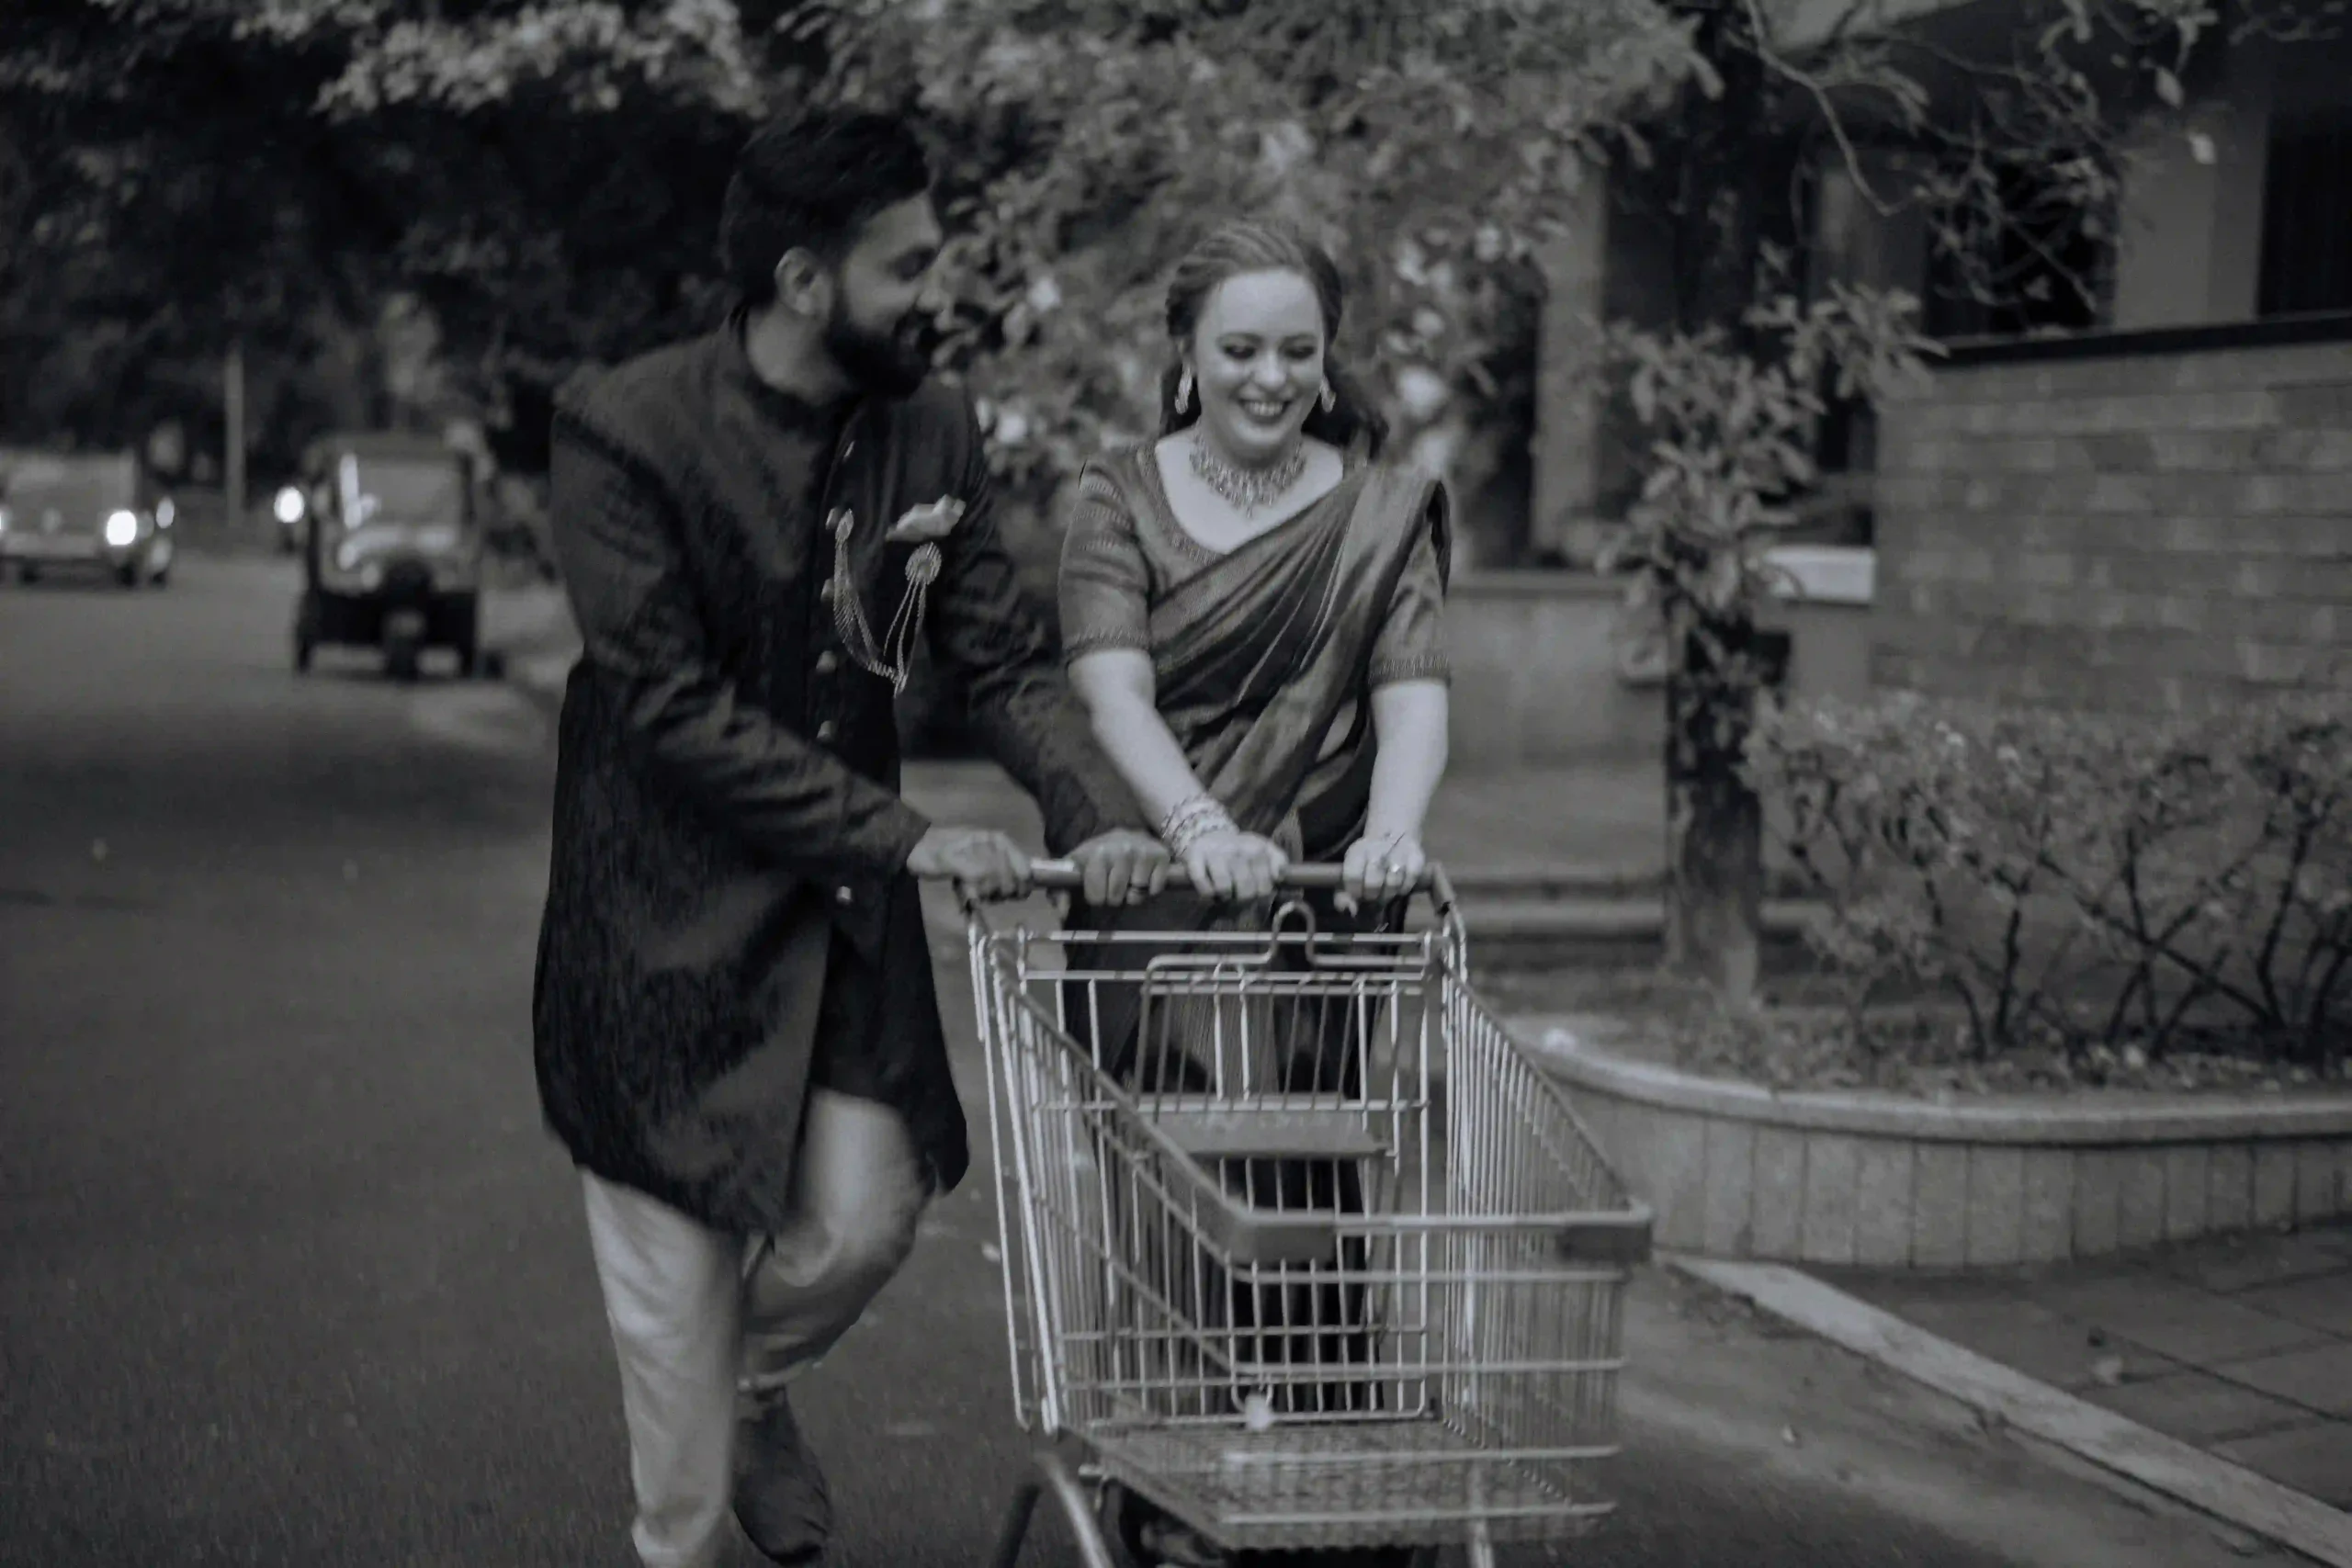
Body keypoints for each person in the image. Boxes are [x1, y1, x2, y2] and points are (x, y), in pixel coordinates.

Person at [532, 107, 1169, 1568]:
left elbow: (1000, 663)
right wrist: (908, 834)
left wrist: (1102, 820)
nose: (933, 290)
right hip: (658, 928)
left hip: (842, 920)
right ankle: (686, 1513)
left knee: (870, 1213)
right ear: (805, 280)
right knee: (674, 1337)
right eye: (907, 265)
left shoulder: (931, 425)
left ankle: (752, 1391)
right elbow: (667, 708)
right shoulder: (621, 428)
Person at [1056, 220, 1452, 1568]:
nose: (1270, 377)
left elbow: (1411, 696)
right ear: (1186, 353)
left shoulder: (1381, 510)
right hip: (1162, 897)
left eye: (1297, 349)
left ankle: (1321, 1464)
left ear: (1329, 357)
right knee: (1192, 1174)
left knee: (1309, 1169)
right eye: (1239, 349)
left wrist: (1392, 834)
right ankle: (1191, 1466)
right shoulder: (1117, 495)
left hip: (1315, 905)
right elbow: (1113, 690)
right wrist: (1198, 825)